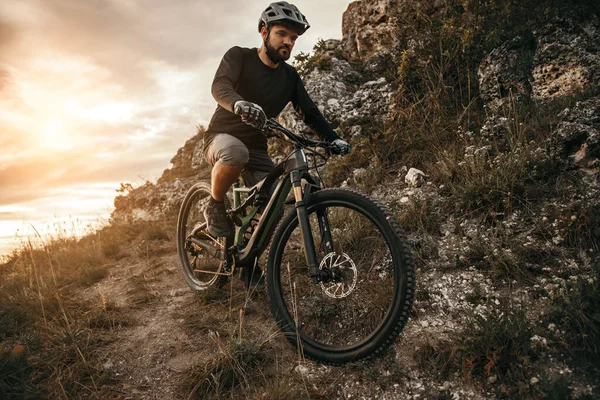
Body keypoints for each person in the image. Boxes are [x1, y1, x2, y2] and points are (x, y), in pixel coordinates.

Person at [202, 1, 350, 240]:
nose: (288, 42)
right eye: (282, 34)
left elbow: (310, 112)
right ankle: (214, 205)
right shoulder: (239, 56)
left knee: (274, 207)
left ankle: (248, 262)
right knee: (236, 152)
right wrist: (239, 104)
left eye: (293, 38)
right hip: (221, 138)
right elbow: (220, 86)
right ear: (264, 32)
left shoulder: (290, 77)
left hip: (257, 149)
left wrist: (333, 139)